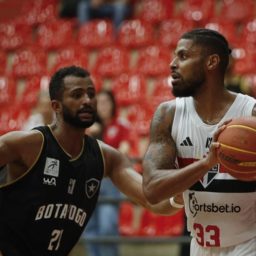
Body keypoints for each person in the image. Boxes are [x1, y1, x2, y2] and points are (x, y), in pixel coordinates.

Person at [0, 65, 180, 256]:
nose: (87, 100)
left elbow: (153, 200)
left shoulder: (107, 157)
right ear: (56, 106)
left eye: (91, 94)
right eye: (77, 95)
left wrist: (184, 191)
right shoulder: (26, 144)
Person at [142, 28, 256, 256]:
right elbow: (152, 189)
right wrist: (206, 164)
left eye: (183, 56)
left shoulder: (251, 113)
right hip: (200, 246)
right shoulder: (168, 115)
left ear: (211, 62)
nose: (172, 64)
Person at [83, 89, 132, 256]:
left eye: (106, 102)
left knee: (107, 227)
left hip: (110, 181)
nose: (102, 106)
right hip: (87, 179)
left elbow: (124, 151)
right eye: (99, 103)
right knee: (89, 228)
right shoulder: (87, 126)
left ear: (113, 105)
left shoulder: (121, 125)